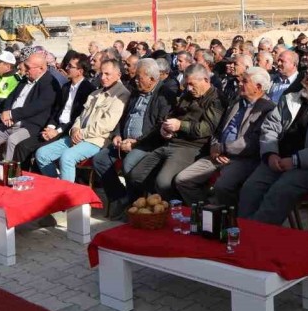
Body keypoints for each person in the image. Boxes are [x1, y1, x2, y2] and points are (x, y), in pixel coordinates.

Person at [239, 60, 308, 222]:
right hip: (277, 158)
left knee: (279, 193)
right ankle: (243, 230)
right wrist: (270, 153)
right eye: (305, 76)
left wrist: (296, 161)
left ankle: (258, 235)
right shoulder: (290, 100)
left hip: (307, 167)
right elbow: (270, 127)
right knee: (250, 188)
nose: (304, 81)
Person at [174, 67, 275, 207]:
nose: (239, 83)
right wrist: (215, 146)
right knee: (183, 180)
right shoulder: (236, 101)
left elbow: (251, 143)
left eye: (244, 81)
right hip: (217, 154)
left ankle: (229, 219)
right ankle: (206, 213)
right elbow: (218, 128)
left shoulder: (267, 109)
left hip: (242, 159)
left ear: (258, 87)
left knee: (223, 186)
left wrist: (223, 148)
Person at [126, 64, 224, 200]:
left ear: (206, 80)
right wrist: (164, 127)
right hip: (171, 142)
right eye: (187, 84)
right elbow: (172, 114)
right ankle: (163, 202)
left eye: (192, 84)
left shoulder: (216, 99)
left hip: (193, 146)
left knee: (163, 183)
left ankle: (177, 208)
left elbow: (207, 128)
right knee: (137, 175)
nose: (189, 88)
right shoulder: (187, 95)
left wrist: (180, 125)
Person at [98, 58, 174, 218]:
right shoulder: (135, 91)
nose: (135, 80)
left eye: (139, 77)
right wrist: (118, 134)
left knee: (129, 164)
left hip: (146, 144)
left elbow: (159, 128)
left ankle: (136, 203)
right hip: (124, 140)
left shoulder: (164, 95)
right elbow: (124, 116)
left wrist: (136, 143)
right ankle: (120, 197)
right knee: (100, 160)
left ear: (152, 79)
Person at [35, 59, 130, 182]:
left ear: (118, 75)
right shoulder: (95, 93)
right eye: (101, 73)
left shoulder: (121, 95)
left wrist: (82, 133)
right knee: (42, 154)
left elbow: (106, 125)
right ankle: (58, 186)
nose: (103, 77)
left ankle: (67, 196)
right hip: (78, 136)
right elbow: (81, 116)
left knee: (67, 157)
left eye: (107, 74)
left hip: (97, 140)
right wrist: (74, 129)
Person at [0, 52, 60, 161]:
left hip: (29, 125)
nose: (24, 70)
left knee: (12, 141)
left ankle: (8, 174)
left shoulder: (50, 83)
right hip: (10, 121)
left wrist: (12, 114)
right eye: (25, 66)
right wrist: (6, 111)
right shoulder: (25, 79)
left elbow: (36, 107)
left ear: (41, 68)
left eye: (28, 67)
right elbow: (10, 97)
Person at [13, 53, 95, 167]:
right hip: (55, 127)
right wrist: (50, 127)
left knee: (40, 152)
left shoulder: (88, 90)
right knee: (22, 146)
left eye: (70, 66)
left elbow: (79, 117)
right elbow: (57, 110)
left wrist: (57, 131)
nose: (66, 68)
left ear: (80, 71)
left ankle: (44, 181)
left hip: (69, 131)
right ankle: (21, 178)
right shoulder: (66, 87)